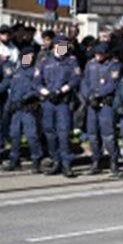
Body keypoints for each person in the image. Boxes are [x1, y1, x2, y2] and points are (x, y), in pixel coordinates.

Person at [35, 35, 81, 177]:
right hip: (48, 101)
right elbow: (37, 81)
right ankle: (55, 161)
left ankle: (66, 163)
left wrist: (61, 90)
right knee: (49, 132)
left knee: (63, 132)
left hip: (63, 101)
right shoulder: (44, 61)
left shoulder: (71, 61)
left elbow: (76, 79)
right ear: (55, 46)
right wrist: (46, 92)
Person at [81, 42, 123, 176]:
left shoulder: (114, 65)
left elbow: (113, 84)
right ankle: (96, 161)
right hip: (92, 105)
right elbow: (84, 82)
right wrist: (88, 95)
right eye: (96, 54)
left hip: (105, 104)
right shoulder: (90, 64)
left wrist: (98, 95)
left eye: (101, 54)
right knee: (93, 135)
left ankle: (113, 161)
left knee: (108, 135)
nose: (98, 56)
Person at [3, 46, 44, 173]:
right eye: (27, 56)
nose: (29, 58)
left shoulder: (34, 71)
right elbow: (12, 90)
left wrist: (27, 97)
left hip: (28, 108)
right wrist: (8, 106)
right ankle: (14, 160)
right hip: (16, 109)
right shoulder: (18, 71)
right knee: (14, 135)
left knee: (32, 136)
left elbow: (37, 88)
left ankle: (37, 161)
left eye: (31, 56)